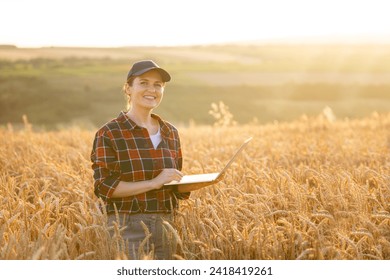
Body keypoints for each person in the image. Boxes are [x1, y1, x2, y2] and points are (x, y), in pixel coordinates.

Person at [90, 60, 212, 260]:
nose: (152, 90)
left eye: (158, 85)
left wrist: (191, 183)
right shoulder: (110, 133)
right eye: (144, 83)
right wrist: (154, 183)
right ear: (128, 88)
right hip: (128, 227)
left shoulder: (170, 132)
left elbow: (170, 182)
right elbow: (104, 187)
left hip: (167, 225)